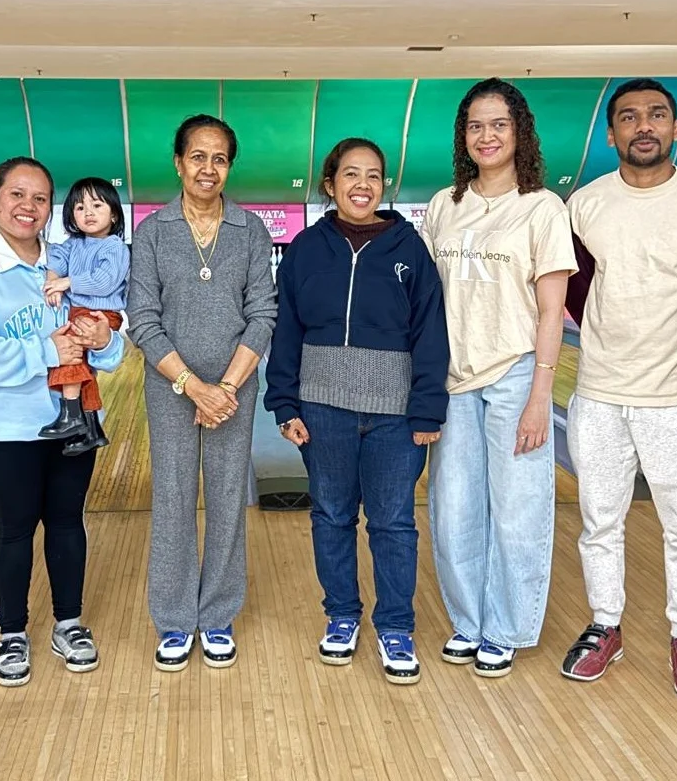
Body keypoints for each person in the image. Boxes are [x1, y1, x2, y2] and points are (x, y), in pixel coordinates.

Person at [558, 78, 677, 700]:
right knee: (598, 521)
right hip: (601, 391)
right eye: (629, 117)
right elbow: (571, 287)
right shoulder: (584, 203)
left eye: (657, 115)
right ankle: (606, 624)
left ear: (676, 127)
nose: (644, 126)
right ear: (611, 134)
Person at [264, 137, 449, 684]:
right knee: (332, 517)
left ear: (383, 186)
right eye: (350, 174)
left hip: (394, 414)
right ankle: (342, 616)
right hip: (323, 410)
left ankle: (395, 626)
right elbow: (287, 332)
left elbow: (430, 331)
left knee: (393, 523)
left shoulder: (409, 249)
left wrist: (426, 410)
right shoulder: (303, 249)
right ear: (330, 184)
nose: (362, 185)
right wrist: (284, 403)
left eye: (373, 175)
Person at [0, 157, 124, 686]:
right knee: (16, 526)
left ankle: (69, 622)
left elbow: (108, 340)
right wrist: (45, 351)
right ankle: (12, 632)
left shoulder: (66, 261)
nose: (28, 207)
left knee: (68, 521)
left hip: (76, 415)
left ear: (50, 209)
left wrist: (105, 341)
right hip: (7, 425)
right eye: (16, 195)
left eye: (40, 198)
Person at [422, 78, 576, 679]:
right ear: (464, 136)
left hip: (514, 373)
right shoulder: (444, 204)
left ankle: (506, 626)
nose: (487, 136)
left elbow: (550, 313)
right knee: (453, 507)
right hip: (451, 377)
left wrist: (542, 396)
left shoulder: (542, 208)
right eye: (476, 126)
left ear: (520, 133)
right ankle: (468, 622)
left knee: (517, 508)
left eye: (499, 125)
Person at [127, 114, 277, 672]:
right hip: (171, 386)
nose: (207, 168)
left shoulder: (250, 231)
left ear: (229, 166)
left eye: (219, 158)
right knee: (171, 500)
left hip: (234, 388)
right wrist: (193, 387)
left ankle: (216, 615)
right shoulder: (154, 231)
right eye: (197, 156)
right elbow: (142, 319)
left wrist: (226, 388)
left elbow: (263, 313)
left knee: (226, 501)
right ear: (178, 161)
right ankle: (172, 618)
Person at [37, 177, 131, 456]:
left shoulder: (115, 247)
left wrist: (67, 283)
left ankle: (71, 414)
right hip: (80, 311)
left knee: (67, 353)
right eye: (79, 207)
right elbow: (55, 260)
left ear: (113, 214)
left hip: (101, 313)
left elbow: (104, 281)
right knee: (83, 372)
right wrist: (52, 281)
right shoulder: (73, 244)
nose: (87, 212)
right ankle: (91, 429)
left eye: (96, 205)